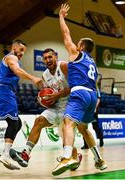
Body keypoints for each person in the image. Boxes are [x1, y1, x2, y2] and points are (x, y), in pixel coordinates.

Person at [52, 4, 107, 176]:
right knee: (84, 128)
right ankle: (99, 160)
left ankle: (67, 157)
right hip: (92, 96)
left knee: (67, 124)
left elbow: (66, 35)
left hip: (80, 93)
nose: (75, 45)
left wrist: (61, 16)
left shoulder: (77, 53)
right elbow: (96, 84)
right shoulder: (92, 63)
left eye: (78, 44)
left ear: (81, 47)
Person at [9, 48, 82, 169]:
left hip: (70, 107)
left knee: (66, 141)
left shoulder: (64, 66)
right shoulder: (45, 75)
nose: (48, 60)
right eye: (45, 58)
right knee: (39, 121)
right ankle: (26, 154)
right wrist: (43, 100)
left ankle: (76, 157)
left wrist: (57, 95)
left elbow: (76, 86)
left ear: (55, 57)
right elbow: (49, 94)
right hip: (56, 107)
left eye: (50, 57)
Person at [0, 39, 42, 170]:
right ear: (14, 48)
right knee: (14, 123)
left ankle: (5, 152)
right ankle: (6, 154)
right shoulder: (11, 57)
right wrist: (33, 78)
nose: (23, 53)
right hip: (3, 91)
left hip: (5, 92)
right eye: (22, 50)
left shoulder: (12, 58)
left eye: (24, 51)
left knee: (17, 123)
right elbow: (17, 70)